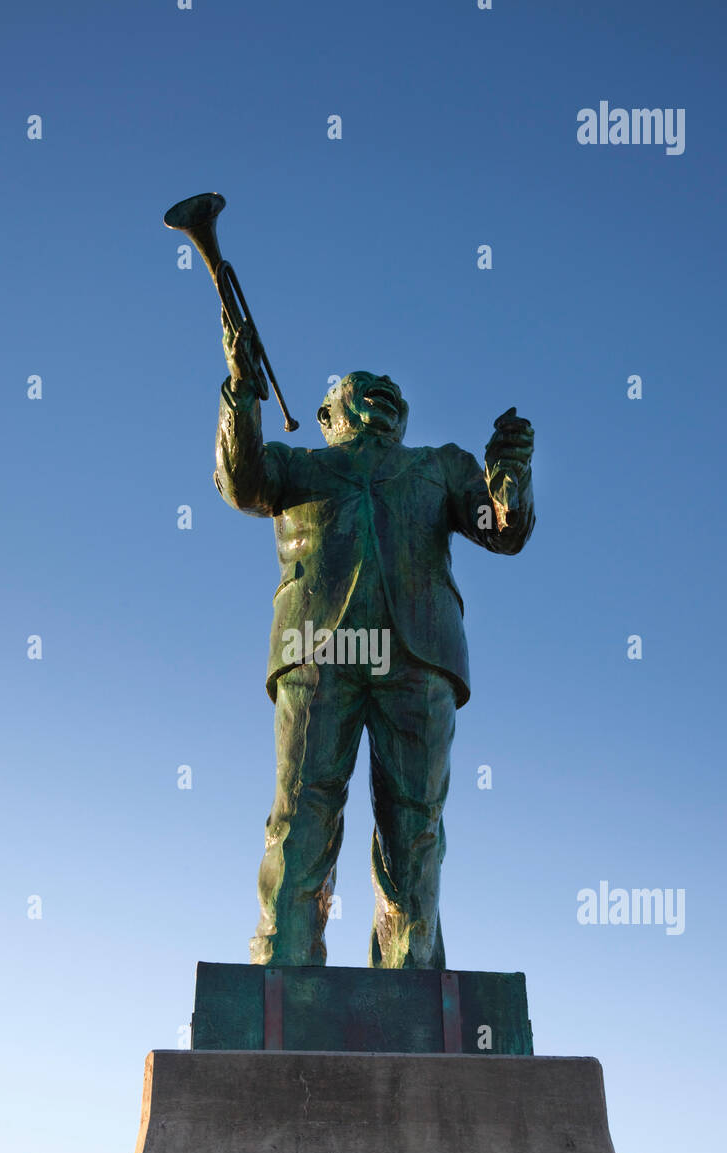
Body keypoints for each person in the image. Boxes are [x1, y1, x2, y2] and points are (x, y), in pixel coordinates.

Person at [214, 315, 535, 969]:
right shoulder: (295, 466)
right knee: (303, 806)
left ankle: (409, 973)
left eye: (393, 390)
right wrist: (242, 389)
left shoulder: (439, 466)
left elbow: (503, 531)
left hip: (419, 655)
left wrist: (508, 475)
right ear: (326, 414)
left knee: (414, 821)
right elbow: (241, 483)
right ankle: (282, 961)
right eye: (363, 385)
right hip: (318, 648)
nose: (384, 387)